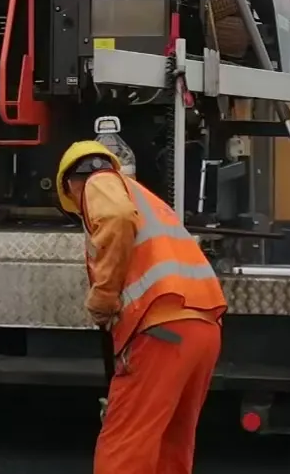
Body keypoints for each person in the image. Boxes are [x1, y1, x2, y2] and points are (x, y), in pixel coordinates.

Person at [56, 141, 227, 474]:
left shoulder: (97, 182)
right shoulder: (144, 198)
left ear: (70, 185)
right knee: (170, 446)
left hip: (163, 331)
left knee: (124, 448)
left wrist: (103, 297)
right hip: (202, 327)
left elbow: (115, 218)